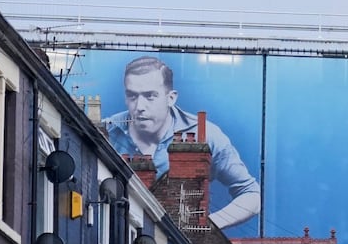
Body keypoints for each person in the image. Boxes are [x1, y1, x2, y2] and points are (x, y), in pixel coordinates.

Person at [102, 55, 262, 229]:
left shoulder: (206, 136)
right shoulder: (107, 131)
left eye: (150, 96)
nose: (139, 106)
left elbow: (252, 195)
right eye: (132, 96)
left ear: (171, 98)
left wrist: (206, 227)